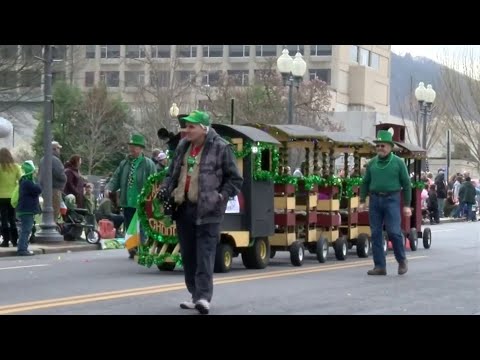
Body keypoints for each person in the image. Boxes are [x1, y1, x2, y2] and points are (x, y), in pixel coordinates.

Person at [159, 110, 243, 314]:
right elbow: (172, 172)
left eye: (191, 127)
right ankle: (195, 295)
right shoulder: (182, 146)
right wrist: (165, 189)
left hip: (208, 210)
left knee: (205, 254)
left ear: (203, 129)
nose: (186, 130)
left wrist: (220, 197)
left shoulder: (221, 147)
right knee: (188, 255)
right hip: (183, 207)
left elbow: (235, 180)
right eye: (186, 126)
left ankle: (204, 298)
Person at [359, 130, 411, 276]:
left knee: (394, 231)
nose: (380, 148)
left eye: (383, 145)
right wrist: (362, 200)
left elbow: (406, 184)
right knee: (375, 233)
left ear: (390, 146)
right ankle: (379, 266)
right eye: (378, 145)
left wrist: (407, 205)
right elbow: (365, 183)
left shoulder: (398, 163)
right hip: (375, 200)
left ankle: (402, 260)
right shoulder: (372, 163)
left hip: (392, 199)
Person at [105, 134, 156, 258]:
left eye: (135, 147)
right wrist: (109, 188)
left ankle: (142, 248)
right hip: (127, 200)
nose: (132, 149)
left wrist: (151, 197)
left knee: (141, 225)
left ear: (141, 149)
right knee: (129, 225)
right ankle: (132, 248)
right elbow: (116, 177)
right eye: (131, 146)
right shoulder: (124, 163)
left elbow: (154, 181)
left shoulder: (148, 163)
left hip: (142, 200)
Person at [16, 161, 42, 256]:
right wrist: (38, 182)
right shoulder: (28, 182)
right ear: (30, 171)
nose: (34, 173)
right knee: (26, 229)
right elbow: (38, 190)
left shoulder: (24, 181)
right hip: (26, 210)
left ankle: (23, 248)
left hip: (25, 209)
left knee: (26, 229)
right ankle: (22, 249)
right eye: (33, 172)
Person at [38, 141, 67, 222]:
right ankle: (51, 229)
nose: (59, 151)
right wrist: (64, 179)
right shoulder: (55, 160)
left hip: (44, 190)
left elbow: (39, 175)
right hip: (54, 190)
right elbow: (60, 174)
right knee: (54, 211)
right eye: (58, 148)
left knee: (47, 211)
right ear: (54, 149)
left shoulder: (42, 159)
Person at [0, 147, 22, 247]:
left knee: (3, 219)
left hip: (1, 197)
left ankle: (5, 240)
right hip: (12, 197)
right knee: (12, 218)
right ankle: (15, 240)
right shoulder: (16, 167)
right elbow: (21, 179)